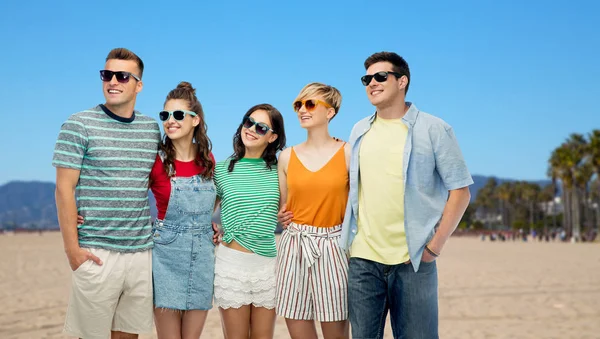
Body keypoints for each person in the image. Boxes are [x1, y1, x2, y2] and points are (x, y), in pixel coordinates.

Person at [338, 51, 473, 338]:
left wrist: (434, 247)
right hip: (363, 260)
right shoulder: (359, 129)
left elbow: (460, 192)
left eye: (380, 76)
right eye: (366, 79)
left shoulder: (434, 128)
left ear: (402, 82)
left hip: (414, 260)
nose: (371, 83)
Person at [53, 48, 160, 339]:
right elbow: (64, 188)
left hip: (140, 253)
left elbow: (163, 184)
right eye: (107, 74)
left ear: (138, 84)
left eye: (122, 76)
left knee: (129, 335)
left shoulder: (151, 128)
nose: (113, 81)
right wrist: (72, 251)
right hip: (96, 252)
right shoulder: (79, 124)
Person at [275, 83, 350, 339]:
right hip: (294, 245)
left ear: (330, 112)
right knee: (298, 327)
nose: (302, 110)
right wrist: (280, 215)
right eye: (298, 105)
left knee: (336, 330)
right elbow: (283, 208)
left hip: (334, 246)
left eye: (310, 104)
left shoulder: (348, 153)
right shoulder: (286, 157)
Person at [213, 104, 286, 339]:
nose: (252, 129)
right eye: (248, 122)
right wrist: (210, 226)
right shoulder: (222, 169)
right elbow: (203, 211)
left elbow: (293, 206)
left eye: (261, 127)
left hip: (268, 266)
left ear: (272, 137)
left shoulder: (281, 170)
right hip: (230, 265)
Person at [150, 82, 216, 338]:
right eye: (165, 115)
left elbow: (215, 199)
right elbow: (128, 195)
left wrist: (209, 222)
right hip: (165, 255)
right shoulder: (156, 161)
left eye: (178, 115)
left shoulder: (207, 160)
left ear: (195, 120)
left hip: (202, 256)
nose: (170, 121)